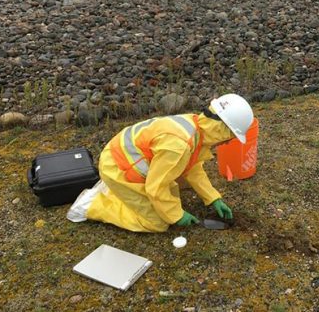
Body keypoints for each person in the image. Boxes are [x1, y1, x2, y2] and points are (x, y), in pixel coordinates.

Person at [67, 94, 254, 232]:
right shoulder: (178, 146)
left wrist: (213, 197)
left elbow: (193, 168)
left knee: (174, 189)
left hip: (125, 156)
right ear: (220, 129)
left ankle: (118, 191)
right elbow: (156, 187)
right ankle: (94, 204)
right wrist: (176, 215)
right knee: (157, 222)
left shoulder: (195, 126)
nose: (229, 141)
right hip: (118, 168)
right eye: (231, 135)